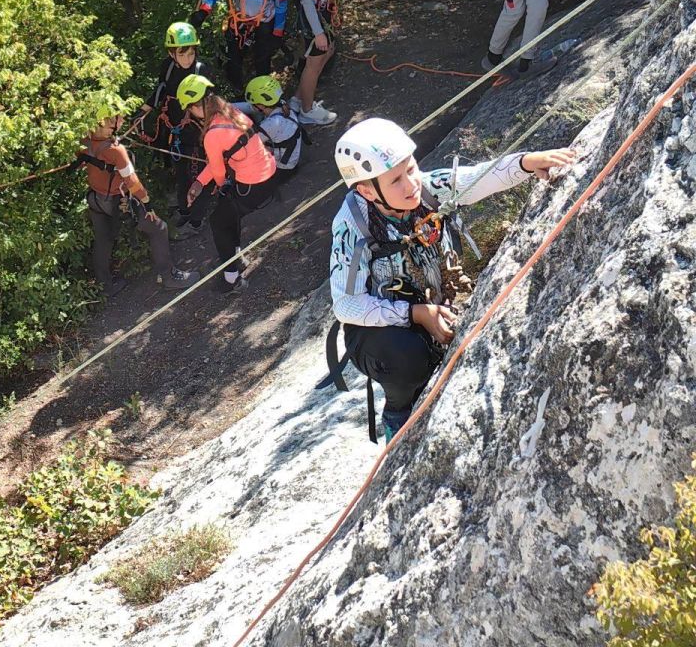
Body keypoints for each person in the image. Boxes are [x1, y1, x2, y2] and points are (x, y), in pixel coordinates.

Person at [328, 118, 575, 442]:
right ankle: (398, 411)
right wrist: (415, 314)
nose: (411, 184)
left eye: (411, 169)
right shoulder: (353, 228)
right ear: (366, 190)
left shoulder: (425, 191)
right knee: (406, 356)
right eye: (396, 180)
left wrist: (526, 163)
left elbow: (474, 179)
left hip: (430, 302)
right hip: (378, 328)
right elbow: (346, 305)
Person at [80, 103, 201, 296]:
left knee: (103, 240)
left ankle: (105, 286)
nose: (122, 120)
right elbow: (132, 182)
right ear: (108, 121)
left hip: (95, 199)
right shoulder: (116, 150)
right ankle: (168, 277)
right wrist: (147, 204)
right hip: (117, 202)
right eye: (118, 117)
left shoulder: (85, 141)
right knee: (159, 228)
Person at [180, 74, 278, 294]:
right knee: (228, 214)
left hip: (252, 185)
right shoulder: (230, 112)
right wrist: (199, 182)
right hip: (268, 173)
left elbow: (218, 171)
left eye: (190, 110)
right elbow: (222, 159)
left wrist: (220, 186)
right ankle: (236, 256)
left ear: (195, 106)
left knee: (218, 222)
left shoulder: (212, 134)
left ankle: (232, 278)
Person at [137, 22, 216, 241]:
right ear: (171, 53)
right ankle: (184, 210)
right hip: (176, 131)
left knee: (197, 177)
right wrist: (141, 113)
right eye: (182, 54)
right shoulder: (168, 67)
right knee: (181, 175)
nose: (188, 59)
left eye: (191, 53)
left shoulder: (201, 70)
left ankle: (196, 221)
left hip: (196, 134)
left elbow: (208, 103)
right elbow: (161, 90)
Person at [290, 0, 339, 125]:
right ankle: (307, 110)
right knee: (314, 61)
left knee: (329, 50)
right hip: (313, 14)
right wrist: (318, 32)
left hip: (323, 7)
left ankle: (298, 99)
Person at [235, 75, 305, 174]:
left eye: (253, 103)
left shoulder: (270, 125)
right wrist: (225, 107)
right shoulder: (282, 105)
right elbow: (250, 108)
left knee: (241, 157)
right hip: (290, 158)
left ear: (260, 105)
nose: (251, 105)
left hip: (282, 167)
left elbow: (248, 143)